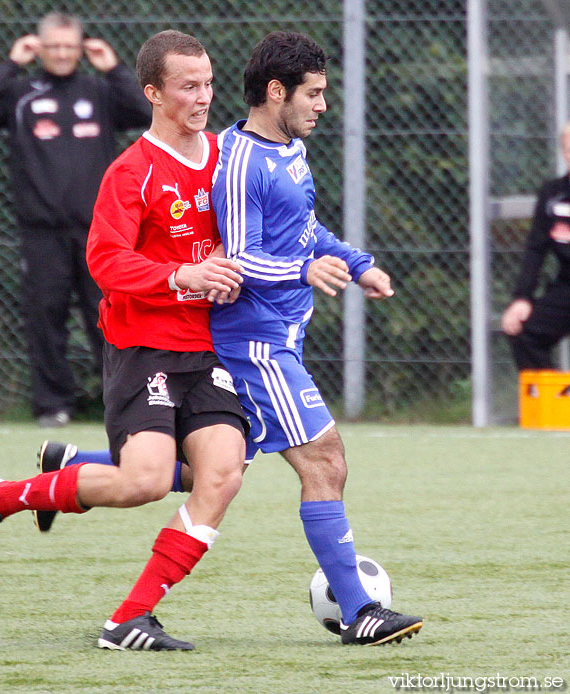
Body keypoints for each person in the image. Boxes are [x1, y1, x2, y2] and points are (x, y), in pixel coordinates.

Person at [0, 30, 249, 652]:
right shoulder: (131, 171)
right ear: (153, 94)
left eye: (209, 83)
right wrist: (179, 274)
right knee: (143, 481)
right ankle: (1, 496)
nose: (203, 97)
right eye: (189, 86)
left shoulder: (227, 158)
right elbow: (106, 262)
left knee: (220, 475)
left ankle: (128, 619)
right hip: (146, 347)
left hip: (209, 350)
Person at [210, 31, 423, 646]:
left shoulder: (287, 150)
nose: (323, 105)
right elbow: (241, 258)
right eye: (314, 93)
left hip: (281, 334)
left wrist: (356, 263)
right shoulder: (242, 159)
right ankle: (360, 612)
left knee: (201, 471)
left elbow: (302, 228)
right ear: (276, 93)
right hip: (255, 339)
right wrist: (303, 271)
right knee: (326, 458)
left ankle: (56, 477)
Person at [0, 12, 152, 427]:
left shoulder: (99, 92)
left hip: (99, 232)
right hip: (41, 231)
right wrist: (12, 63)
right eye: (54, 46)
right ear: (39, 46)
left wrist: (116, 68)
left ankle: (120, 401)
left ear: (82, 47)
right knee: (45, 315)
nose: (63, 54)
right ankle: (54, 405)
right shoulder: (20, 95)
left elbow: (144, 112)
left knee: (107, 313)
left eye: (70, 46)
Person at [501, 123, 570, 370]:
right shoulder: (553, 194)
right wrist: (522, 298)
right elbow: (535, 249)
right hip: (566, 288)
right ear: (564, 153)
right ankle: (555, 405)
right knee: (521, 331)